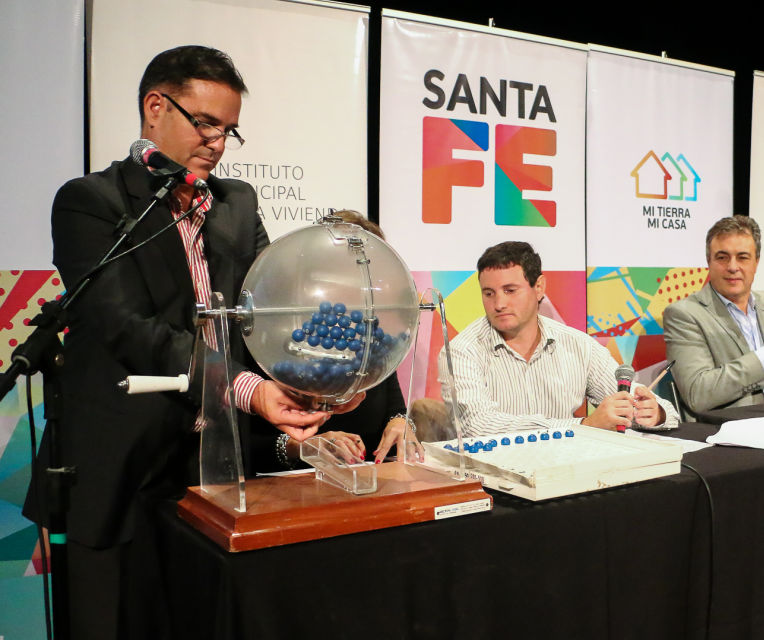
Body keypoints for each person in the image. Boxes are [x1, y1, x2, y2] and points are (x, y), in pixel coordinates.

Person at [23, 46, 360, 639]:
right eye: (204, 123)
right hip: (120, 469)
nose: (217, 143)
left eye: (228, 130)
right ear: (155, 107)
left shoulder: (236, 204)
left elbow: (269, 309)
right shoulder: (91, 202)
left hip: (215, 469)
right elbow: (127, 327)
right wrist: (246, 388)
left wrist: (318, 379)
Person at [442, 241, 679, 436]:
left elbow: (662, 411)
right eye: (489, 293)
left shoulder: (578, 345)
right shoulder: (461, 352)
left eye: (510, 290)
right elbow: (477, 426)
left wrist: (654, 413)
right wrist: (583, 425)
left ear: (539, 287)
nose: (499, 304)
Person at [250, 211, 416, 471]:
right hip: (296, 485)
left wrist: (401, 423)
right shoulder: (276, 342)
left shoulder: (373, 344)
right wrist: (305, 446)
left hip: (372, 480)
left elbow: (394, 410)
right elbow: (249, 447)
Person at [663, 216, 764, 412]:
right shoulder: (684, 314)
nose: (732, 267)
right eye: (722, 257)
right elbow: (698, 394)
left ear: (756, 262)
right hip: (736, 422)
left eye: (742, 257)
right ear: (708, 261)